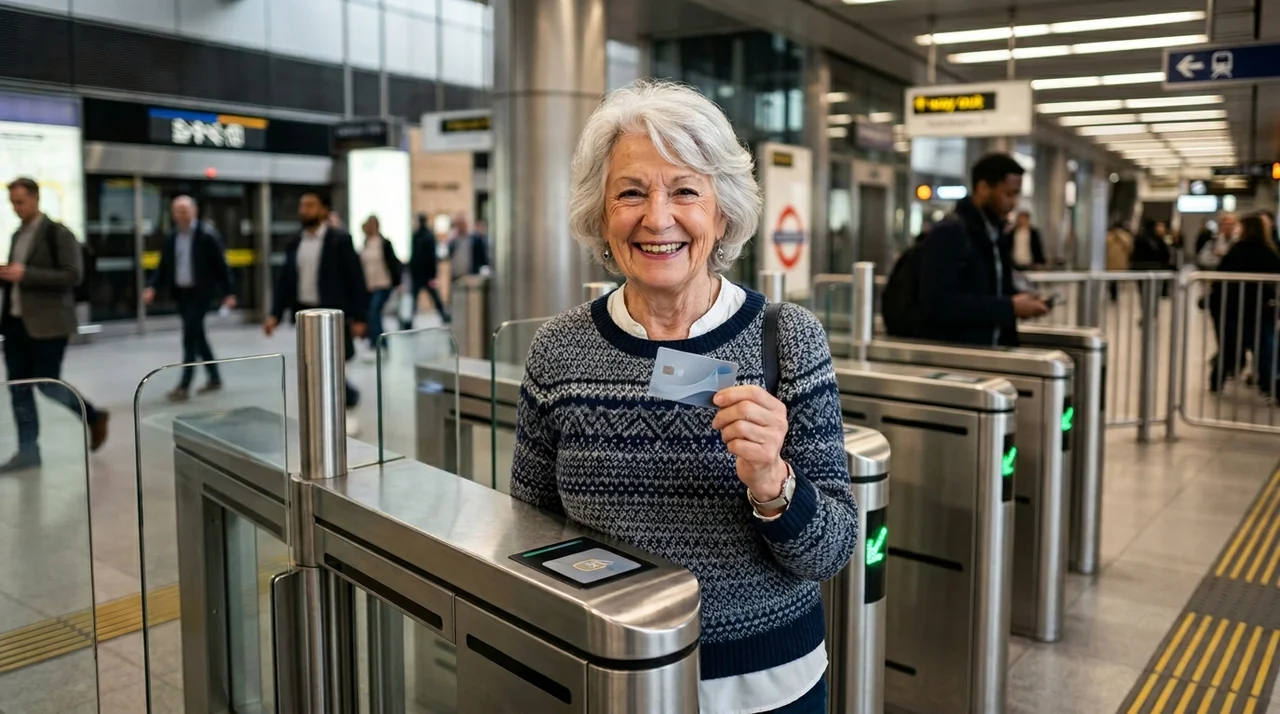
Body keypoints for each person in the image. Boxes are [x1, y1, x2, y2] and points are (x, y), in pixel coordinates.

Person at [510, 80, 856, 714]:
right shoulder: (558, 350)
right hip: (606, 679)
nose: (658, 218)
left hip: (765, 686)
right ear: (600, 213)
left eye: (685, 191)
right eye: (632, 192)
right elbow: (529, 528)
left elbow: (832, 550)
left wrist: (774, 483)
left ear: (722, 212)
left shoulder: (787, 339)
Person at [0, 177, 109, 472]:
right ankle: (28, 451)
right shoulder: (16, 235)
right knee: (18, 389)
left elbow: (73, 275)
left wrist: (26, 274)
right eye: (12, 202)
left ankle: (93, 415)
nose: (16, 208)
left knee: (47, 384)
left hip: (49, 324)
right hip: (15, 322)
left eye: (20, 201)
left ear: (36, 198)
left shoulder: (58, 233)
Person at [914, 153, 1049, 347]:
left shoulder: (995, 233)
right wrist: (1010, 307)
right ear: (983, 188)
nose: (1014, 203)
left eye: (1017, 195)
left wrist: (1022, 300)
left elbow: (993, 289)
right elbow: (938, 303)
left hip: (993, 348)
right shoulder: (950, 232)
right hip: (962, 355)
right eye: (1008, 194)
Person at [263, 191, 368, 435]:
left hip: (333, 315)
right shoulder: (295, 243)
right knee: (311, 368)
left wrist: (360, 317)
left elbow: (355, 280)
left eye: (310, 205)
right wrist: (274, 315)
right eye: (302, 205)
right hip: (305, 314)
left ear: (323, 210)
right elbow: (286, 282)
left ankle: (345, 409)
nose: (304, 210)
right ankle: (323, 416)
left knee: (336, 367)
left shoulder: (339, 241)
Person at [143, 195, 237, 401]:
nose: (181, 214)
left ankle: (184, 385)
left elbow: (221, 265)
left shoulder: (206, 235)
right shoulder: (173, 236)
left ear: (194, 211)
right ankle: (214, 377)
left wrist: (229, 292)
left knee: (189, 336)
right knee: (198, 336)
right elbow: (164, 265)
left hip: (201, 293)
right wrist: (152, 287)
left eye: (185, 210)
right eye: (177, 210)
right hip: (181, 293)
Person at [1210, 213, 1280, 398]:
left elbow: (1220, 276)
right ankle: (1269, 385)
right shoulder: (1269, 251)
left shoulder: (1237, 251)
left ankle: (1217, 380)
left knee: (1230, 345)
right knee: (1265, 346)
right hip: (1262, 307)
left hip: (1235, 307)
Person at [358, 215, 403, 358]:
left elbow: (393, 263)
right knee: (373, 314)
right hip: (369, 285)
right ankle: (381, 342)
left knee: (374, 311)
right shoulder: (365, 243)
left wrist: (398, 282)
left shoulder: (384, 243)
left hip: (383, 283)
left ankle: (376, 343)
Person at [408, 212, 449, 326]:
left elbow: (429, 256)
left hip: (423, 273)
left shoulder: (422, 236)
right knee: (424, 297)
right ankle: (444, 316)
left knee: (431, 297)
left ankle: (444, 315)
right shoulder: (423, 235)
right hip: (423, 273)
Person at [448, 213, 491, 281]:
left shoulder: (474, 239)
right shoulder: (454, 240)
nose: (460, 227)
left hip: (471, 276)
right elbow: (449, 254)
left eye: (461, 224)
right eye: (458, 224)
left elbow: (482, 257)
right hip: (456, 276)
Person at [1105, 221, 1134, 302]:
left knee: (1117, 279)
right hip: (1111, 261)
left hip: (1120, 261)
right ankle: (1113, 294)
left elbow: (1129, 247)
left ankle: (1115, 294)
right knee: (1112, 280)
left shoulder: (1125, 237)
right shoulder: (1109, 236)